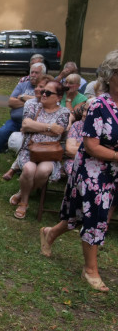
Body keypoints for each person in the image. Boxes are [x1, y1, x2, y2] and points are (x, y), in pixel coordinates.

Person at [40, 51, 118, 291]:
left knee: (76, 215)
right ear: (111, 76)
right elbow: (91, 146)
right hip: (94, 172)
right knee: (94, 217)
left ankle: (50, 233)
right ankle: (90, 270)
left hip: (114, 172)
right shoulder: (98, 105)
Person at [8, 80, 69, 219]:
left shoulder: (64, 112)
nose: (43, 94)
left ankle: (22, 193)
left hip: (50, 153)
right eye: (43, 91)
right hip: (29, 149)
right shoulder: (32, 104)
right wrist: (49, 127)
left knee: (43, 171)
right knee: (29, 170)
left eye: (48, 92)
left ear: (59, 97)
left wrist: (34, 127)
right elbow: (25, 124)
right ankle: (24, 203)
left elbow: (58, 132)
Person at [0, 62, 46, 170]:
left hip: (34, 125)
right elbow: (10, 102)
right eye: (32, 72)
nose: (33, 75)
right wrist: (32, 100)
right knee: (1, 133)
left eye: (36, 73)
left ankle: (23, 166)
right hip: (15, 122)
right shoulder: (22, 85)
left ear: (43, 74)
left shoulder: (45, 88)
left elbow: (42, 103)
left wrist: (23, 97)